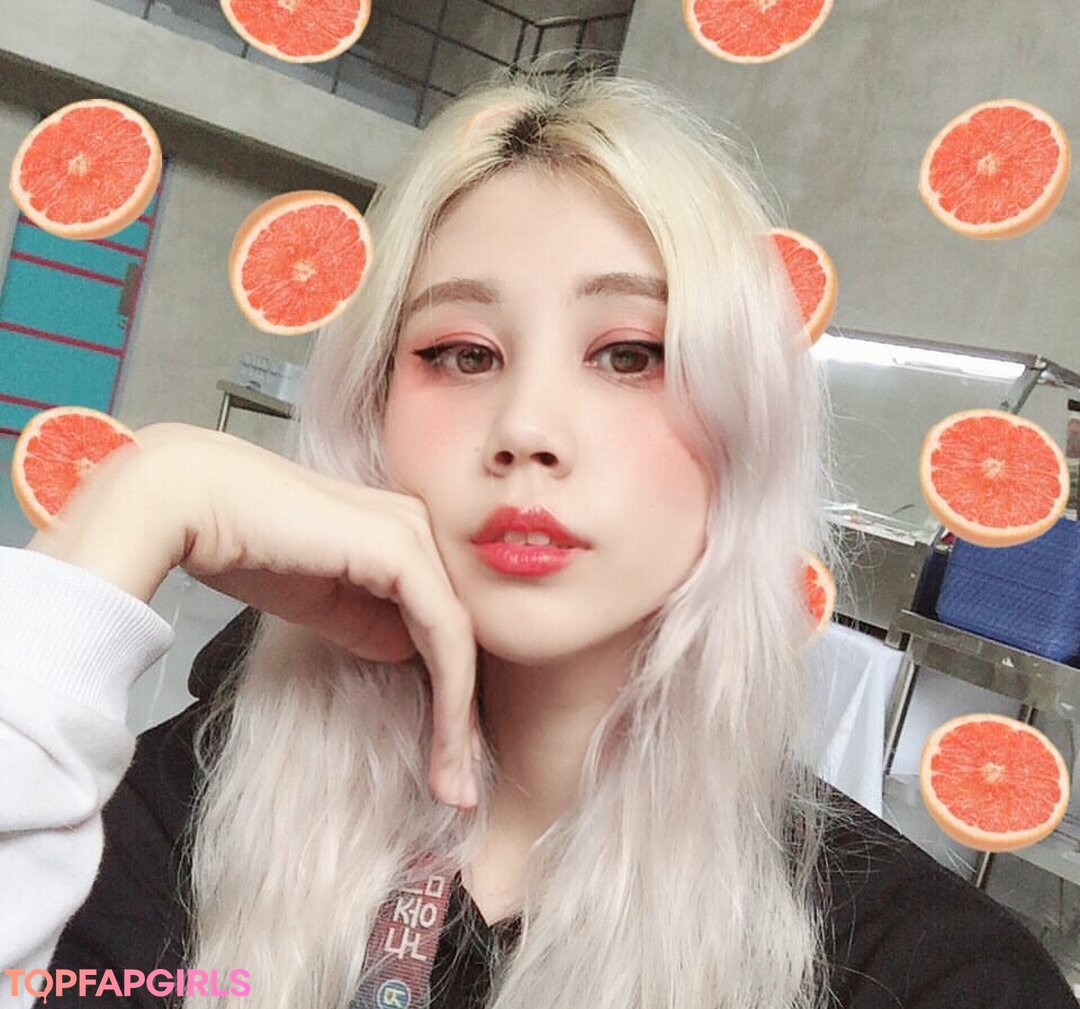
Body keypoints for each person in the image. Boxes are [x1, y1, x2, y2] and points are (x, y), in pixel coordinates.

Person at [0, 69, 1075, 1009]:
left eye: (630, 354)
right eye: (463, 353)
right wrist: (138, 500)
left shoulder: (926, 970)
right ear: (375, 409)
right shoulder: (188, 805)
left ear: (744, 424)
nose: (526, 428)